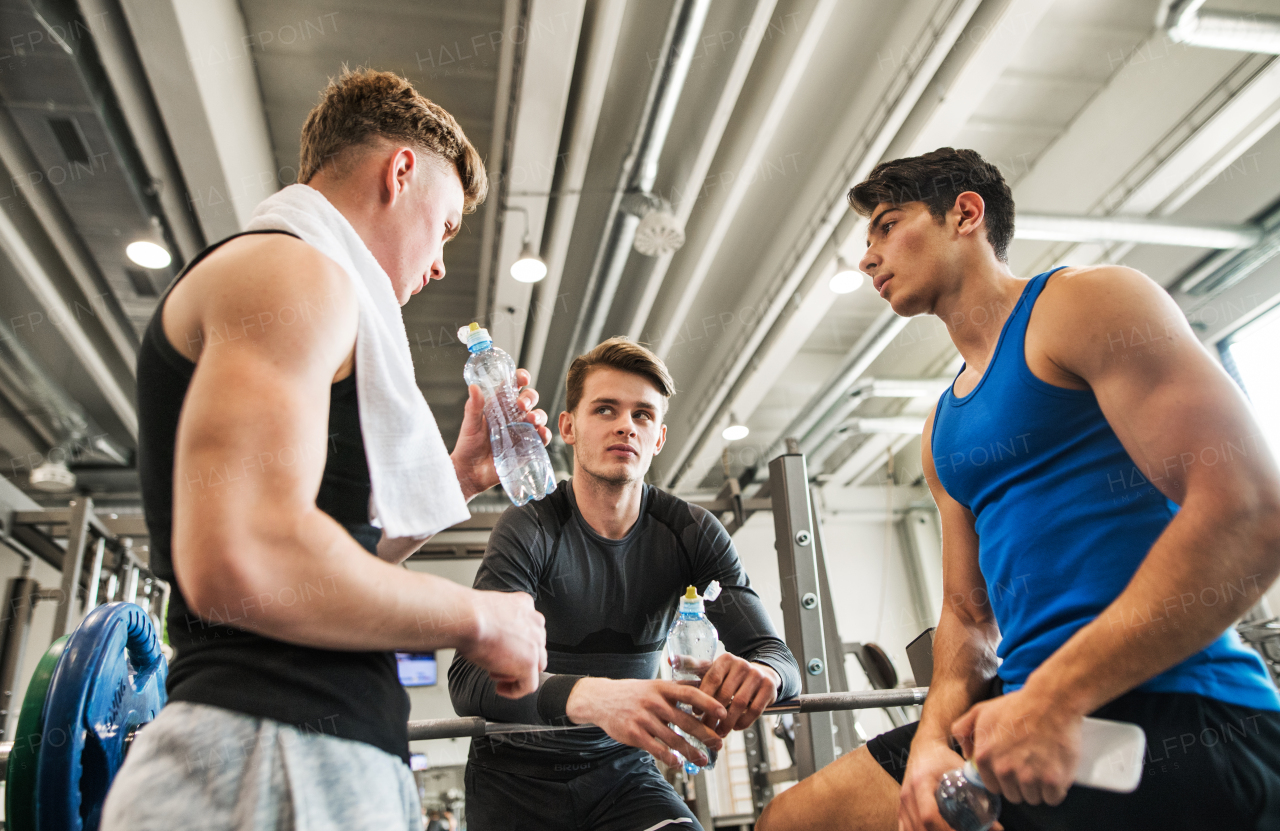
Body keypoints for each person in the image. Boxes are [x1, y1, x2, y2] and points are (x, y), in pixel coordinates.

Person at [757, 147, 1280, 831]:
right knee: (796, 819)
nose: (868, 256)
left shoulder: (1083, 304)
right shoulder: (941, 427)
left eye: (886, 224)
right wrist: (928, 746)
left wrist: (1056, 697)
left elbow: (1247, 509)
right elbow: (968, 617)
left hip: (1176, 706)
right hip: (1020, 712)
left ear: (965, 213)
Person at [104, 69, 549, 831]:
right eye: (444, 228)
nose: (441, 264)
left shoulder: (305, 279)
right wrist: (479, 617)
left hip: (291, 758)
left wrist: (462, 473)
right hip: (266, 758)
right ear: (401, 171)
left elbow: (321, 564)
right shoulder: (293, 270)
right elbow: (243, 557)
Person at [449, 338, 803, 831]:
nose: (625, 425)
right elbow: (469, 679)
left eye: (642, 415)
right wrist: (593, 698)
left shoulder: (691, 532)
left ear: (657, 438)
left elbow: (778, 657)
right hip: (514, 782)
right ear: (568, 427)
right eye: (605, 409)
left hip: (621, 775)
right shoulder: (529, 527)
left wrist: (765, 675)